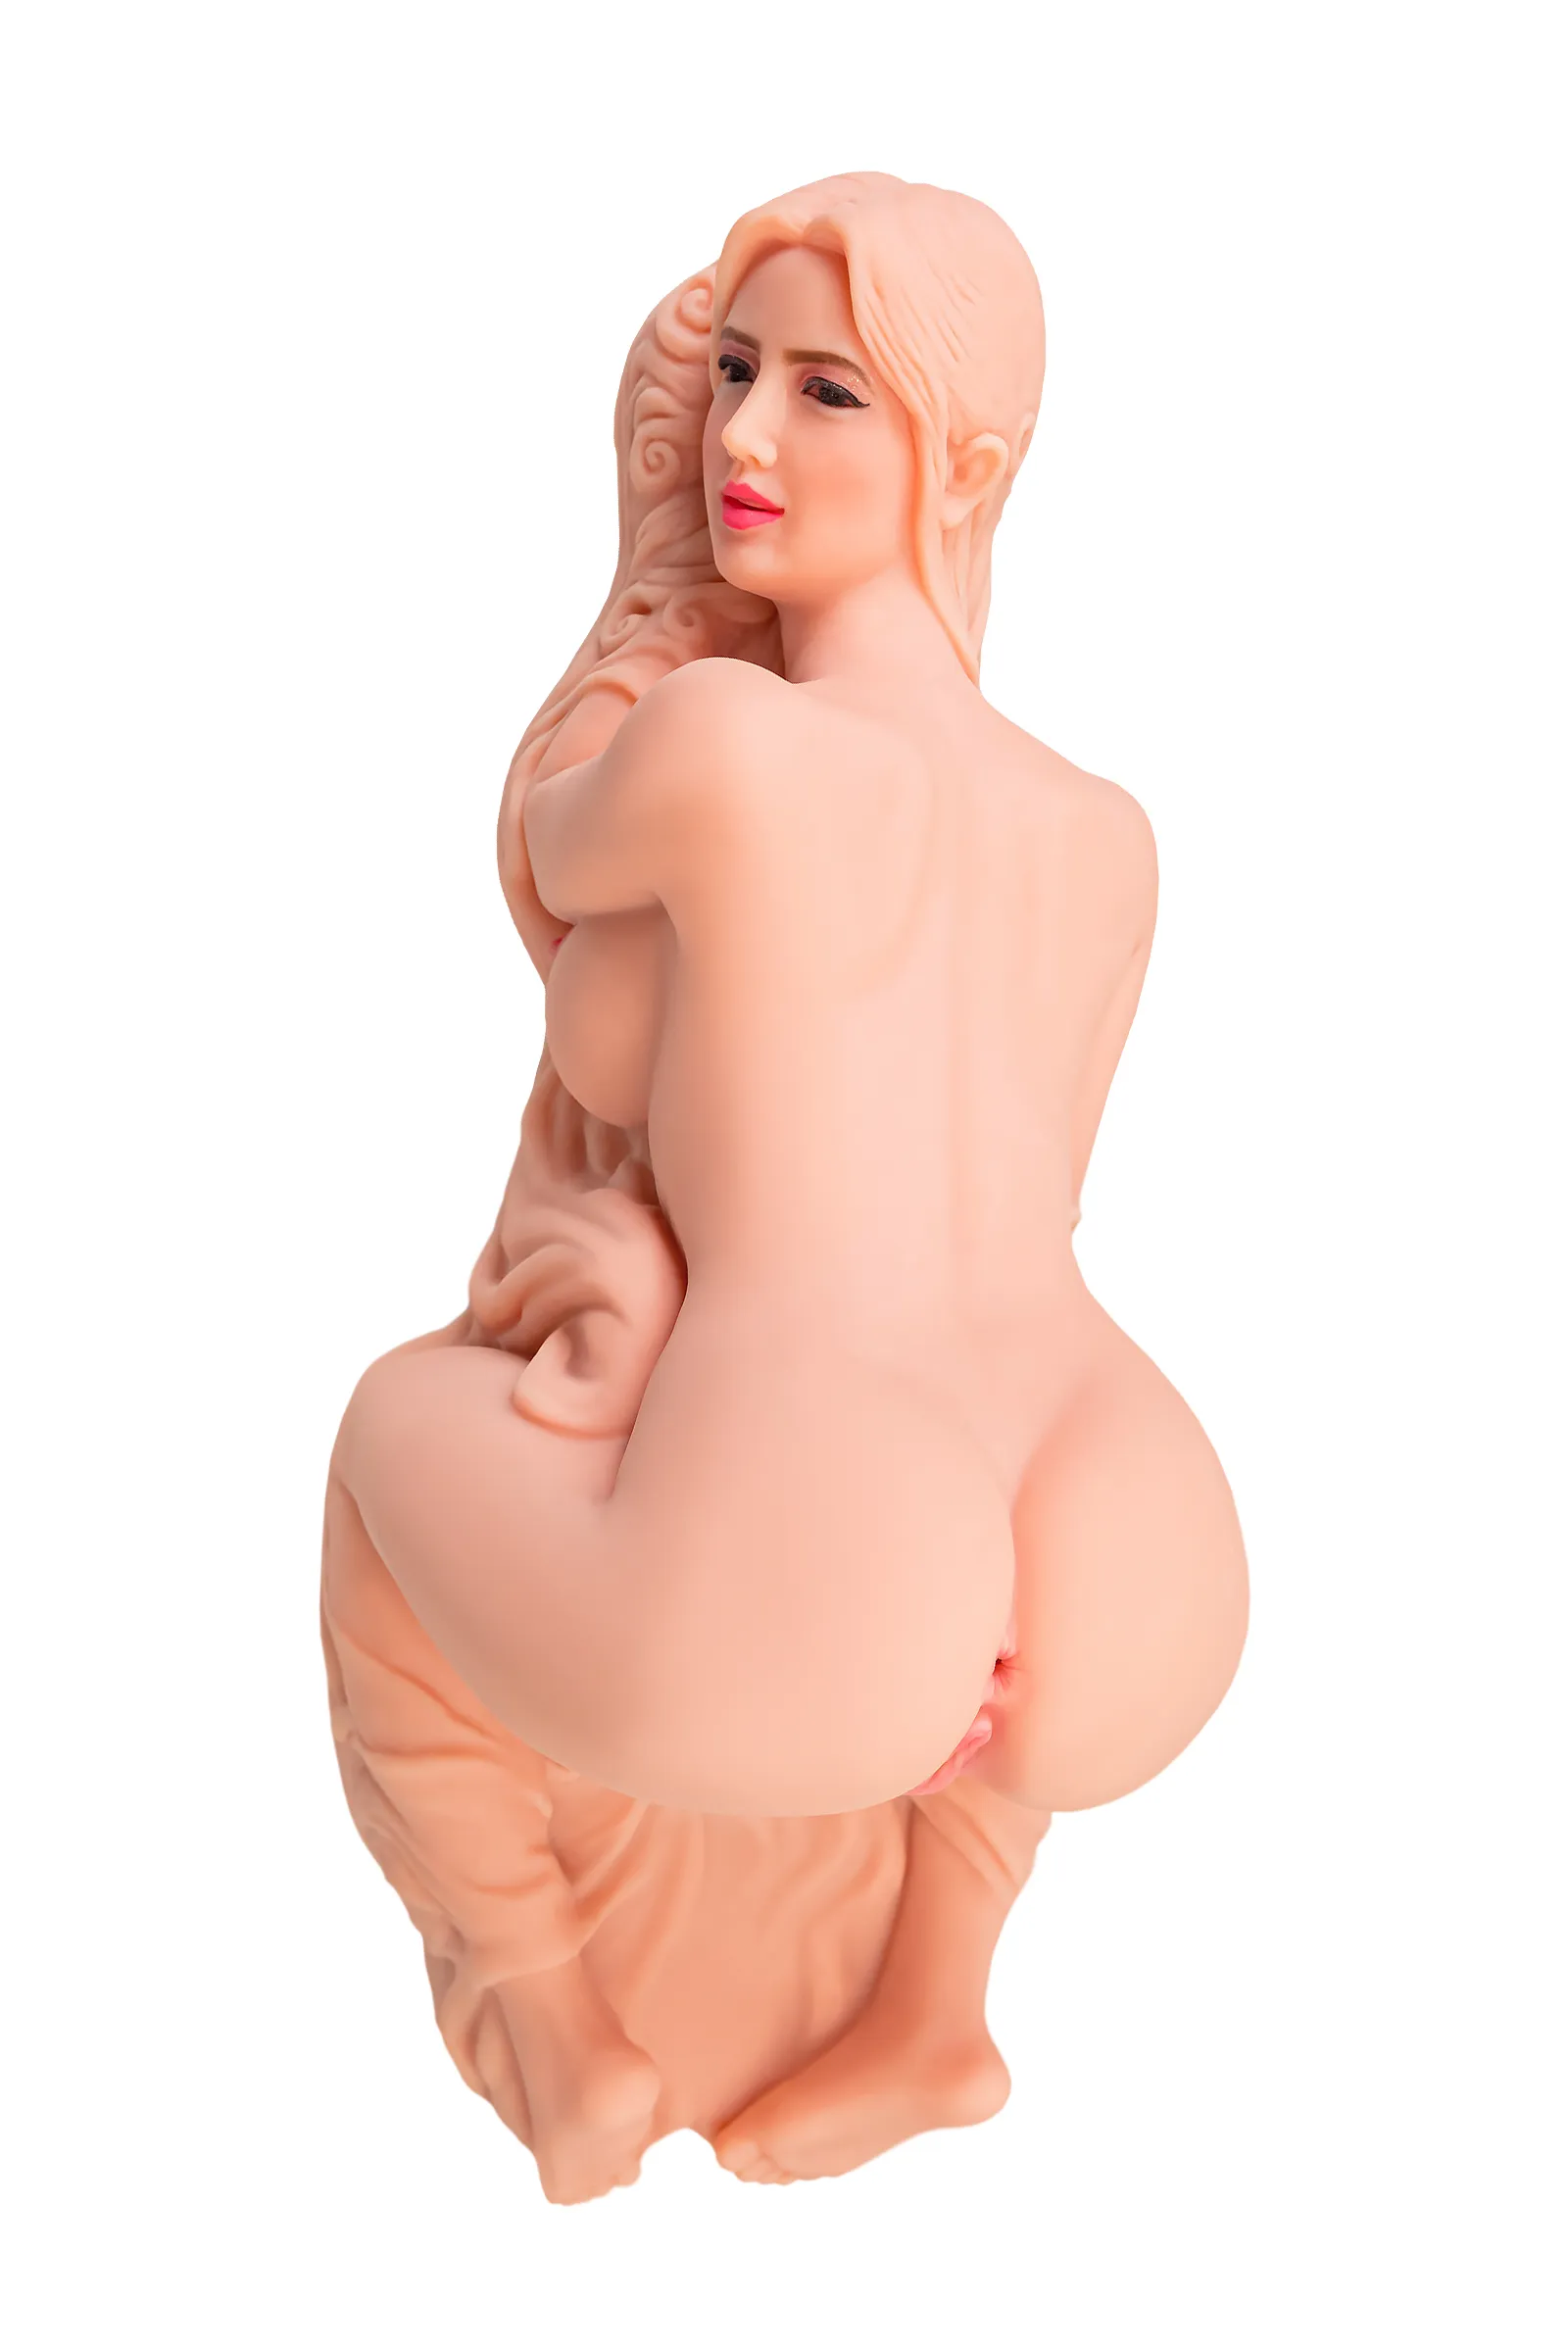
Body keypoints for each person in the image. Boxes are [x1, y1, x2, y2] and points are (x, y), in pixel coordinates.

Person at [321, 172, 1249, 2201]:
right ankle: (935, 2007)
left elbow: (544, 870)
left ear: (967, 464)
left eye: (828, 391)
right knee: (995, 1571)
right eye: (735, 371)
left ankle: (559, 2024)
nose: (742, 435)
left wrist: (656, 568)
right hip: (1122, 1517)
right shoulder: (1106, 835)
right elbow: (1031, 1181)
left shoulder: (714, 740)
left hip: (824, 1525)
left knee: (389, 1438)